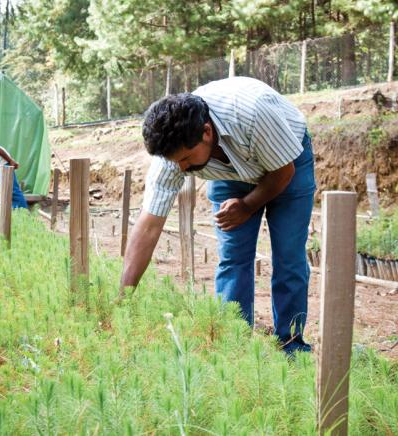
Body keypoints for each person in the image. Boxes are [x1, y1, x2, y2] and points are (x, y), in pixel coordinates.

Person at [120, 77, 316, 355]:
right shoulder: (173, 157)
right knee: (233, 256)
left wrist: (247, 205)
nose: (182, 169)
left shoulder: (253, 113)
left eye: (186, 160)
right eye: (176, 162)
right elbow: (149, 226)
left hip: (287, 161)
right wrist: (122, 300)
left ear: (207, 132)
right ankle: (233, 346)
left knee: (289, 257)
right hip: (229, 172)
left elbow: (282, 173)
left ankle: (291, 347)